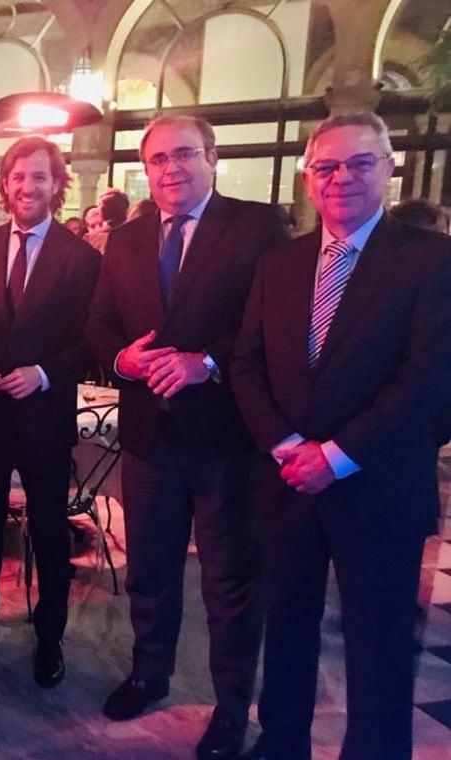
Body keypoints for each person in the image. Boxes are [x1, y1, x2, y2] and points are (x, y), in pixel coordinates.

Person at [231, 112, 451, 760]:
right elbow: (246, 365)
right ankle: (281, 745)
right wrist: (286, 448)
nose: (342, 178)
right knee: (288, 631)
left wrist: (337, 455)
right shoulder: (280, 264)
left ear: (389, 169)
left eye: (360, 163)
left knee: (379, 648)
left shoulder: (433, 260)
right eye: (326, 166)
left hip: (378, 488)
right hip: (288, 485)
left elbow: (431, 379)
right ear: (307, 180)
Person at [85, 113, 290, 760]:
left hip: (226, 434)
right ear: (144, 169)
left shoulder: (257, 226)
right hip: (149, 436)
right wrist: (123, 360)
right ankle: (150, 673)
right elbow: (100, 325)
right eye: (157, 160)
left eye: (183, 155)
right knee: (150, 569)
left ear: (212, 157)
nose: (170, 169)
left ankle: (232, 710)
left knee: (231, 581)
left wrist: (209, 361)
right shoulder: (126, 239)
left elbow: (273, 324)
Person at [0, 136, 101, 687]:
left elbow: (92, 340)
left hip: (42, 415)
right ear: (4, 185)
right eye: (17, 176)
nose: (27, 186)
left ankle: (50, 636)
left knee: (50, 532)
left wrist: (45, 373)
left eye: (39, 176)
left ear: (57, 185)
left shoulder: (82, 257)